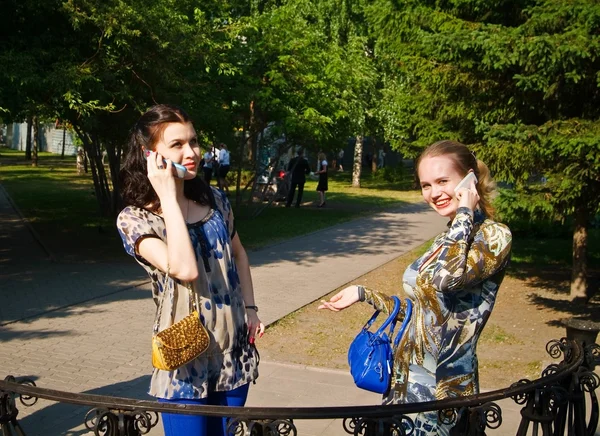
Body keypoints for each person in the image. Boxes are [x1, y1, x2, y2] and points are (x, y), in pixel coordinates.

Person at [318, 140, 512, 435]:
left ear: (469, 179)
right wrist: (363, 293)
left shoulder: (494, 236)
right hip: (405, 382)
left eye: (443, 181)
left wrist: (464, 212)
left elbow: (447, 279)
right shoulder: (447, 238)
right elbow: (423, 311)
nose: (434, 193)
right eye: (426, 185)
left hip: (444, 391)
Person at [116, 104, 264, 436]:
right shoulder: (135, 219)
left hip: (233, 349)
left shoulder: (215, 201)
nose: (191, 152)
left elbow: (239, 254)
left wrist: (251, 309)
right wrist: (168, 195)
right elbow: (184, 268)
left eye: (193, 141)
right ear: (150, 155)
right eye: (177, 145)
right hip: (185, 356)